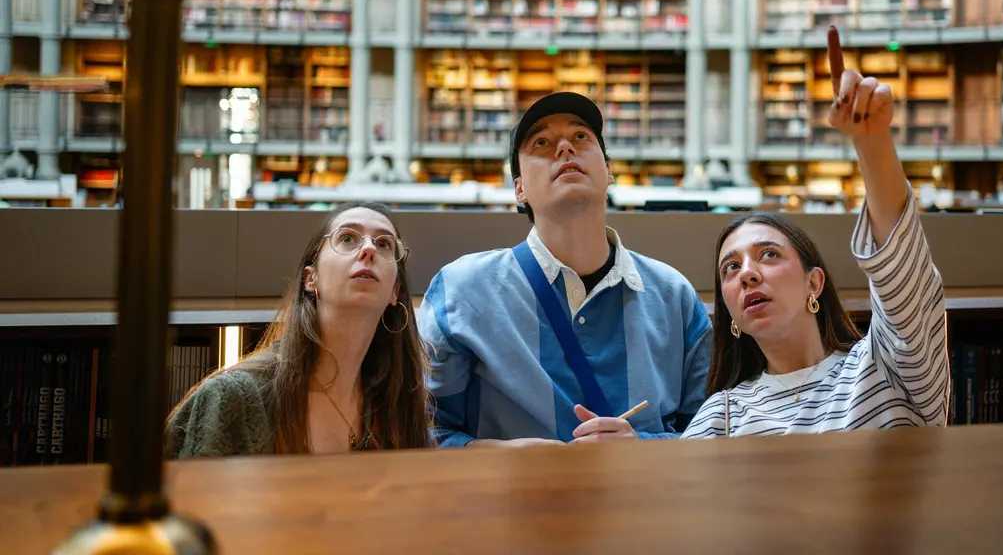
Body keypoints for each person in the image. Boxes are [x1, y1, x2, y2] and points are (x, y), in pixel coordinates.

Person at [682, 27, 950, 439]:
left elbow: (904, 280)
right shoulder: (723, 415)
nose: (747, 273)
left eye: (768, 254)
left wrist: (873, 142)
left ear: (815, 281)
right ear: (731, 316)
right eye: (730, 268)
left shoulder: (886, 366)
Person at [418, 92, 712, 446]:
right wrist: (500, 455)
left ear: (608, 172)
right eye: (541, 142)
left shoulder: (673, 296)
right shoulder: (461, 291)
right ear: (519, 189)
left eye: (581, 137)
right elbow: (423, 431)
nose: (564, 149)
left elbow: (710, 435)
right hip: (509, 501)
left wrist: (643, 447)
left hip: (643, 500)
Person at [165, 201, 431, 457]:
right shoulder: (234, 398)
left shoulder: (394, 406)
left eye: (384, 243)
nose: (369, 250)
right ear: (310, 279)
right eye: (348, 238)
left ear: (394, 292)